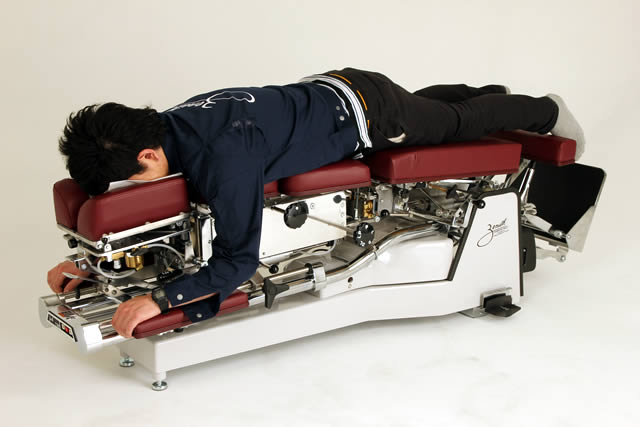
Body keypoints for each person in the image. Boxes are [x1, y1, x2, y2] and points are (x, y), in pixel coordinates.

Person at [46, 67, 586, 338]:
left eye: (133, 178)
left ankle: (543, 108)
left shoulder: (223, 158)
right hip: (330, 87)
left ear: (145, 152)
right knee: (433, 115)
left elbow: (237, 262)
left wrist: (162, 299)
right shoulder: (168, 123)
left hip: (369, 112)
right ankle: (486, 92)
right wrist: (96, 267)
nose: (137, 186)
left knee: (452, 124)